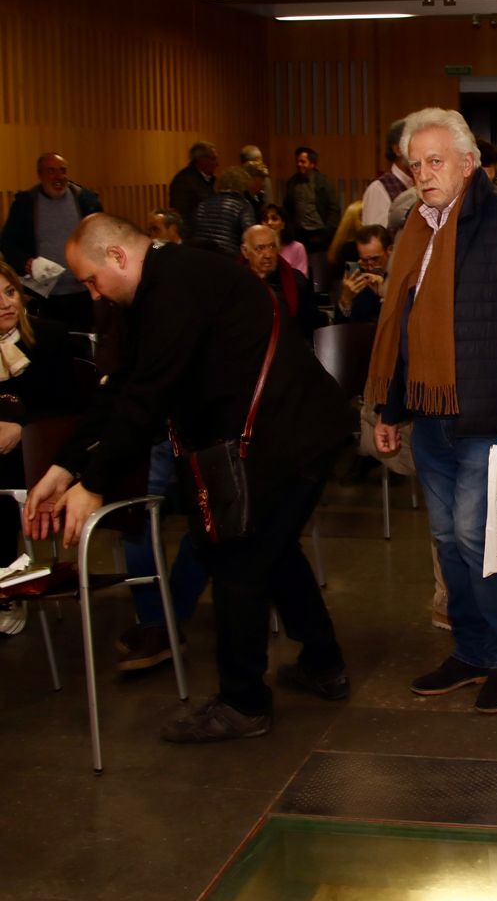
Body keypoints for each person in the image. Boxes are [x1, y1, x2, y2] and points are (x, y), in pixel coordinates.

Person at [24, 214, 352, 742]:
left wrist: (95, 484)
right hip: (280, 439)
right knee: (272, 550)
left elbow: (146, 398)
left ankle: (244, 703)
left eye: (91, 279)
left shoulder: (174, 285)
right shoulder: (161, 284)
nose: (94, 293)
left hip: (290, 440)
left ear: (117, 256)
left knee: (239, 561)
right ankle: (323, 662)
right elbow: (121, 387)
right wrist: (65, 468)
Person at [367, 107, 497, 716]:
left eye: (436, 161)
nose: (424, 174)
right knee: (448, 539)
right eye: (415, 163)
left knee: (482, 541)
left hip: (490, 414)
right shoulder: (415, 230)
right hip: (430, 413)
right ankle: (472, 650)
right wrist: (390, 407)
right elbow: (403, 327)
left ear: (468, 163)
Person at [0, 260, 78, 636]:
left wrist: (22, 426)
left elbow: (68, 407)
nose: (4, 303)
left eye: (10, 292)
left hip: (43, 456)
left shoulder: (50, 337)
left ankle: (8, 589)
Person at [1, 152, 103, 331]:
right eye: (51, 171)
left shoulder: (86, 201)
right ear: (40, 175)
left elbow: (101, 237)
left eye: (62, 171)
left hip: (83, 292)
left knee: (83, 343)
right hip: (44, 295)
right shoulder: (25, 204)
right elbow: (7, 245)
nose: (59, 177)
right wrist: (26, 263)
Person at [242, 224, 321, 341]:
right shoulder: (235, 282)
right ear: (245, 251)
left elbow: (310, 326)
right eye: (260, 248)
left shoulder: (296, 281)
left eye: (272, 247)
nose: (268, 255)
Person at [360, 121, 414, 240]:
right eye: (413, 146)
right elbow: (374, 243)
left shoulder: (420, 183)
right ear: (398, 150)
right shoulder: (379, 189)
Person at [283, 146, 341, 252]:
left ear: (312, 164)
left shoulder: (323, 183)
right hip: (299, 235)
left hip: (319, 234)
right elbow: (287, 208)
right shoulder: (292, 183)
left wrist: (327, 232)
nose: (299, 164)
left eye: (303, 161)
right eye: (297, 161)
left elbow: (334, 209)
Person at [190, 165, 258, 256]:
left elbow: (195, 232)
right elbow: (250, 236)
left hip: (202, 256)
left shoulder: (203, 204)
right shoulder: (243, 206)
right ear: (243, 185)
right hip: (229, 257)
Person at [335, 225, 390, 324]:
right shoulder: (356, 280)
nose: (370, 266)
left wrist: (384, 296)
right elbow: (340, 330)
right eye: (364, 260)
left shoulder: (399, 278)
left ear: (389, 251)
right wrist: (345, 300)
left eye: (375, 259)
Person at [168, 141, 218, 240]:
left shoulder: (209, 179)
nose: (217, 163)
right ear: (201, 160)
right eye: (213, 159)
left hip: (208, 236)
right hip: (194, 238)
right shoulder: (184, 181)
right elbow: (181, 216)